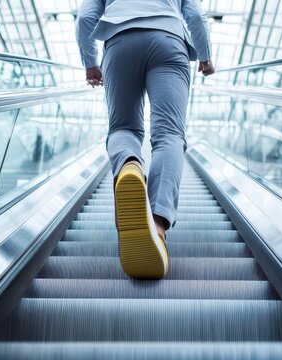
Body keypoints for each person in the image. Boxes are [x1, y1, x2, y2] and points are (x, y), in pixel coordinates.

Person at [76, 0, 215, 279]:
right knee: (169, 135)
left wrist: (90, 63)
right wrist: (205, 56)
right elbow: (197, 17)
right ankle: (158, 227)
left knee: (122, 128)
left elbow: (84, 19)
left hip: (119, 43)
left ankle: (129, 164)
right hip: (169, 41)